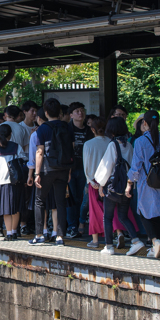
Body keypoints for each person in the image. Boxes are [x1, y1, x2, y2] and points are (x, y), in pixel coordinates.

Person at [93, 117, 144, 256]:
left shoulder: (113, 145)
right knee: (123, 216)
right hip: (126, 186)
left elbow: (107, 166)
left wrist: (101, 184)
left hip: (113, 186)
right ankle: (136, 240)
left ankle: (109, 247)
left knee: (107, 217)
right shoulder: (129, 145)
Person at [30, 99, 73, 247]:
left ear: (46, 112)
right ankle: (60, 236)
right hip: (63, 169)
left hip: (47, 169)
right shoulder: (67, 127)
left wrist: (37, 173)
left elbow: (40, 152)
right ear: (60, 112)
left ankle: (39, 235)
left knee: (39, 201)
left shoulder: (42, 129)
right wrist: (69, 170)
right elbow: (71, 150)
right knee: (60, 202)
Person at [130, 110, 160, 259]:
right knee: (156, 213)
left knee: (143, 212)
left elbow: (136, 165)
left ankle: (155, 240)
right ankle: (156, 244)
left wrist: (129, 182)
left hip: (145, 182)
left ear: (145, 123)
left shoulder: (140, 141)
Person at [0, 123, 27, 241]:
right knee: (15, 208)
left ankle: (8, 233)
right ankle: (15, 231)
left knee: (6, 210)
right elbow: (23, 161)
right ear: (11, 134)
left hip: (1, 183)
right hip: (15, 182)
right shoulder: (16, 147)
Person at [83, 117, 111, 248]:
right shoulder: (111, 142)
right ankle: (113, 235)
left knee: (94, 211)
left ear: (92, 129)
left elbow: (86, 165)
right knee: (110, 209)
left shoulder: (88, 144)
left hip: (94, 180)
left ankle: (95, 240)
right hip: (109, 180)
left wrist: (89, 180)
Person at [67, 102, 92, 239]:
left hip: (85, 169)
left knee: (83, 199)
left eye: (82, 110)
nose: (80, 113)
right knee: (71, 198)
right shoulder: (67, 129)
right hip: (70, 168)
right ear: (71, 115)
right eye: (76, 111)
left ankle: (81, 224)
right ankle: (72, 227)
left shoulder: (89, 131)